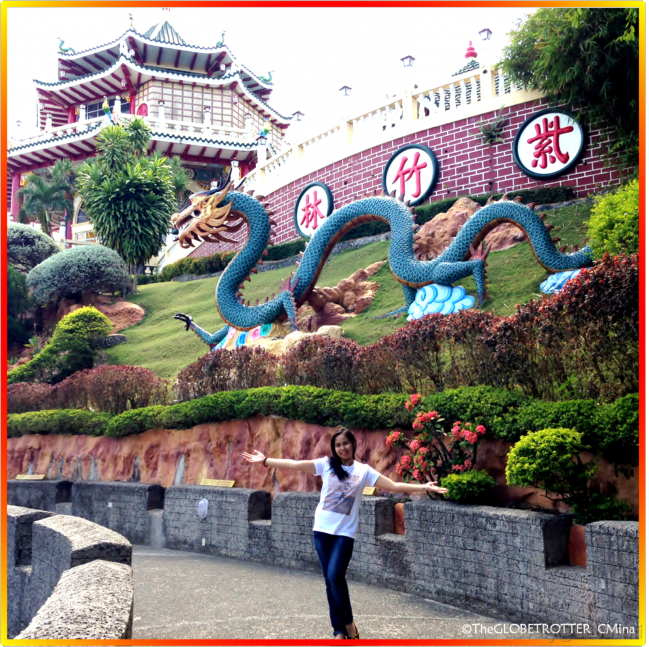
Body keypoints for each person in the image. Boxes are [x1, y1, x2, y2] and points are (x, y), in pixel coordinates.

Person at [243, 427, 448, 640]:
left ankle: (349, 624)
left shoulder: (363, 471)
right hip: (321, 530)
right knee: (329, 580)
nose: (342, 448)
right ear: (335, 448)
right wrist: (266, 460)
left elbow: (394, 485)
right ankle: (338, 631)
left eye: (345, 443)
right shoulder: (326, 465)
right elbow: (296, 465)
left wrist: (424, 487)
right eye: (338, 445)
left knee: (335, 576)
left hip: (344, 534)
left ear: (353, 444)